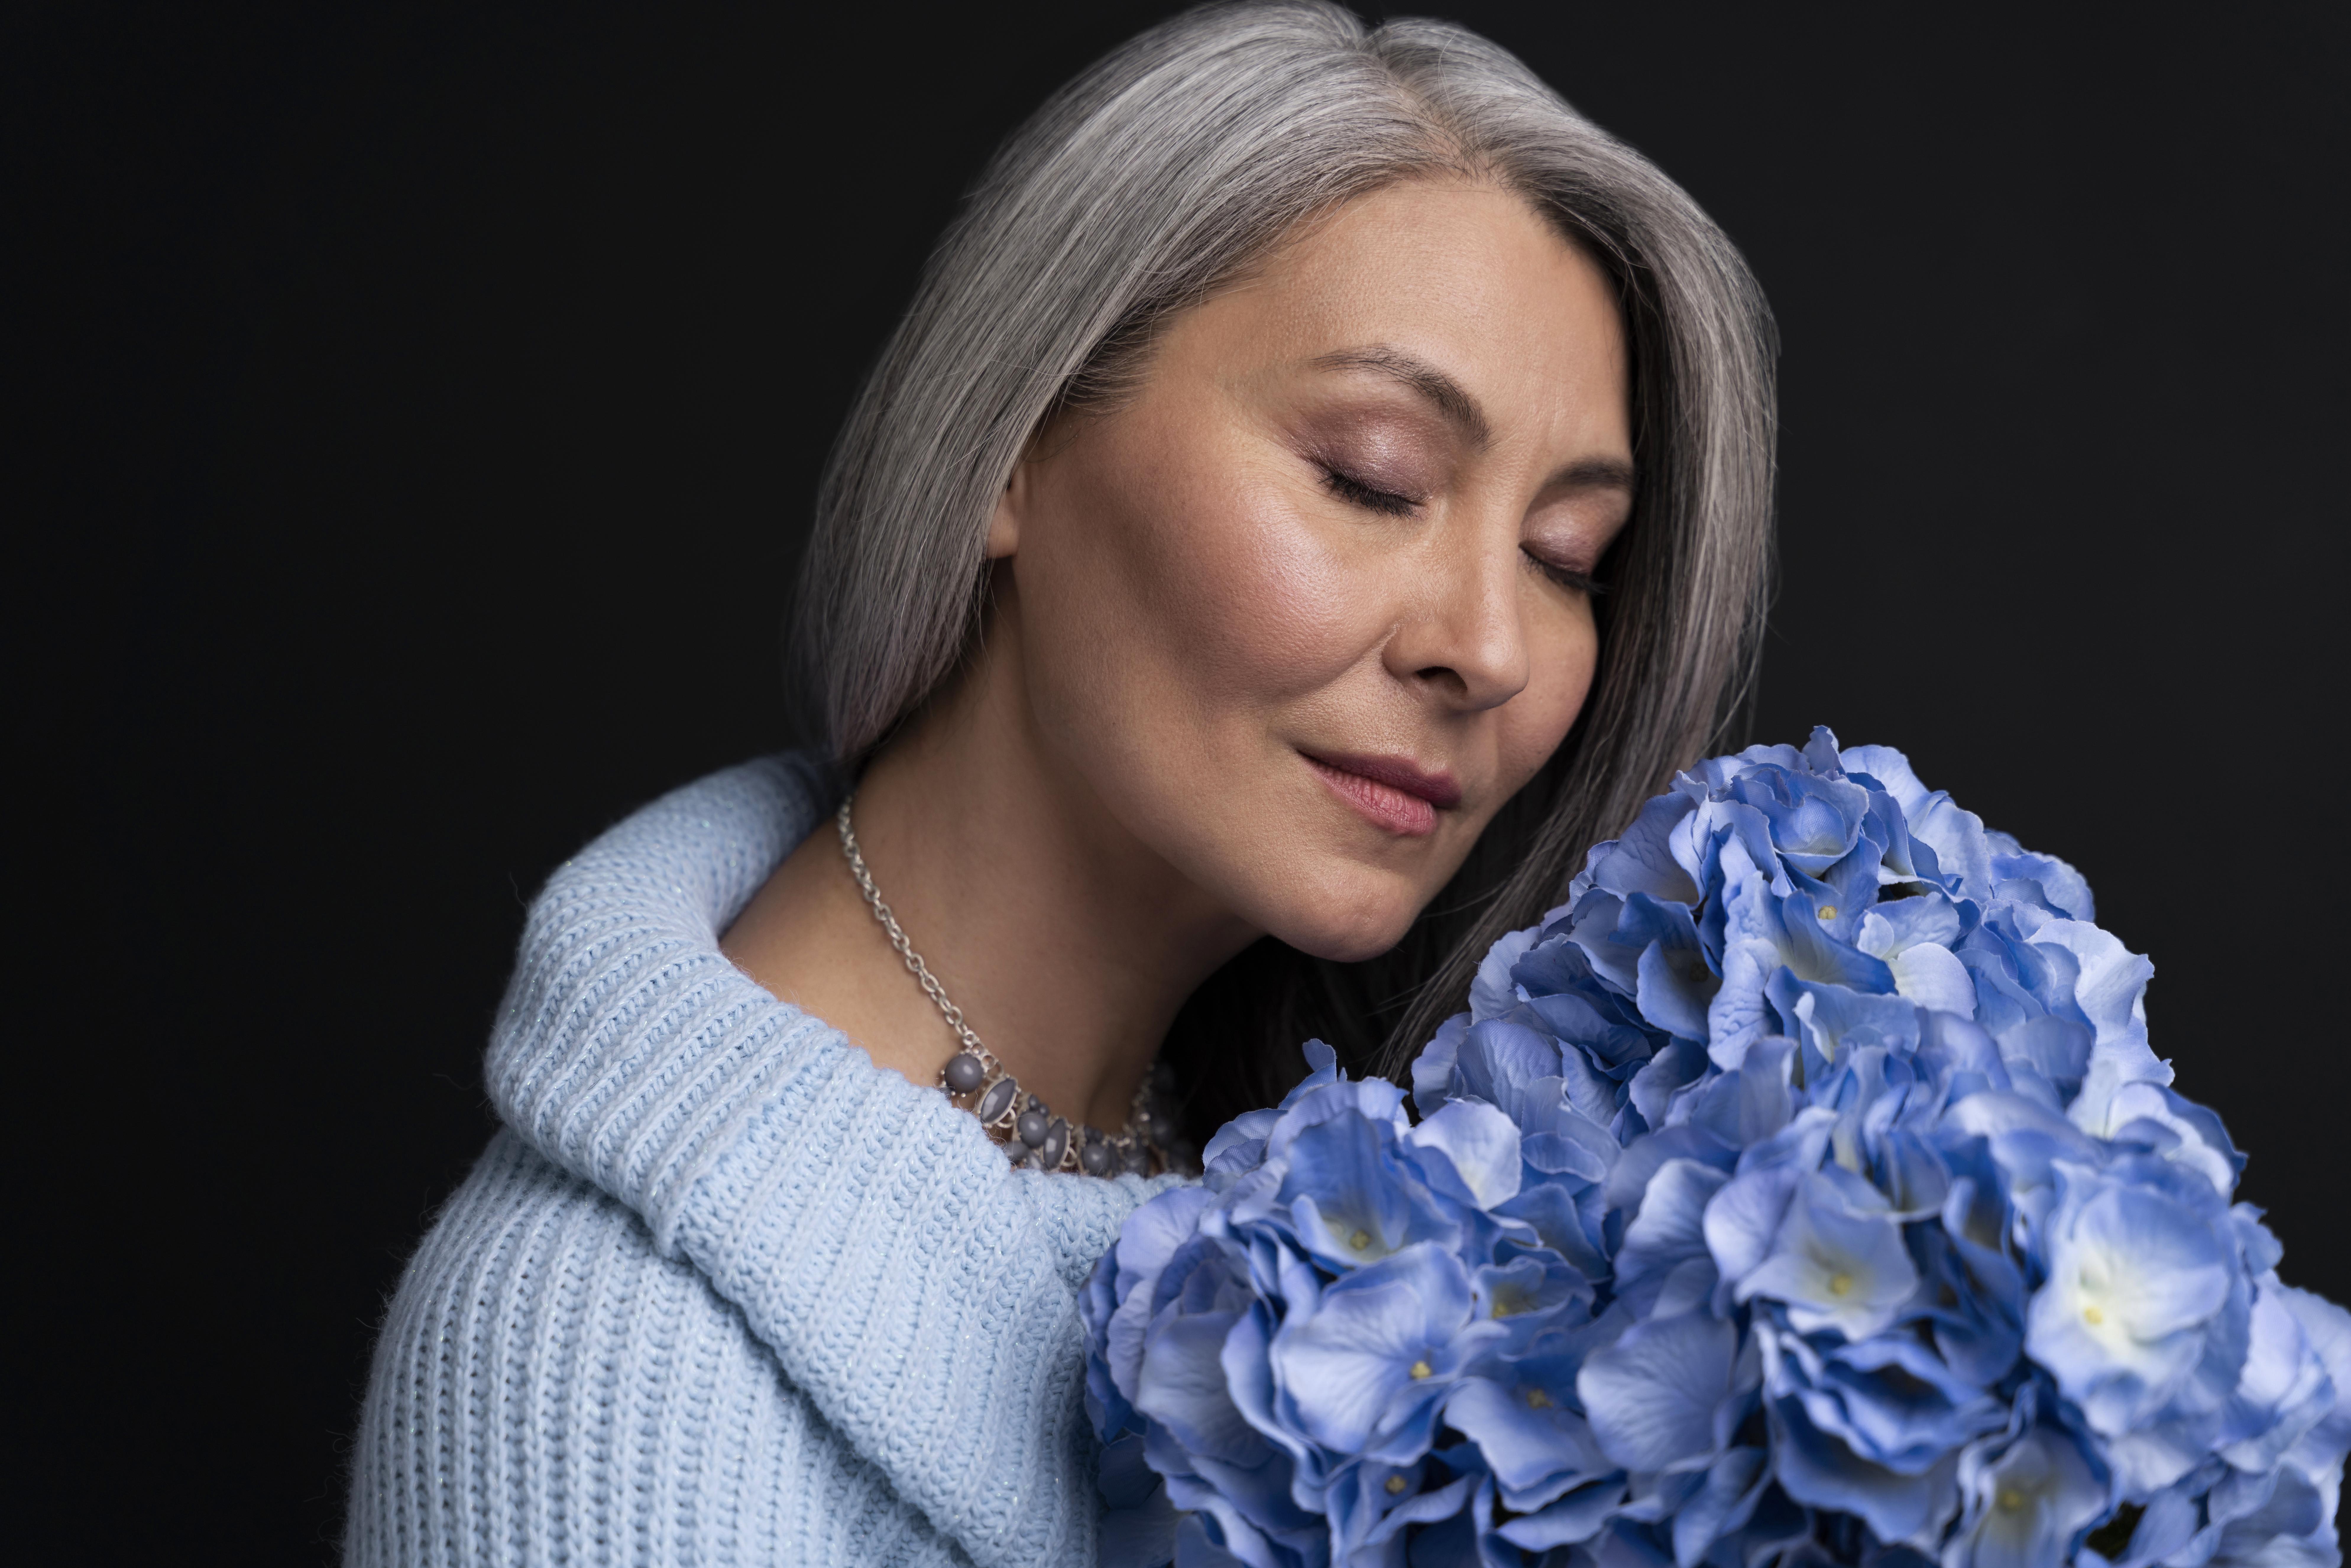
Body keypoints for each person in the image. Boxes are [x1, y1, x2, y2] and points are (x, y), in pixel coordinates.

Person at [342, 3, 1775, 1562]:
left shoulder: (1340, 1166)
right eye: (1372, 477)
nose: (1489, 646)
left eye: (1568, 556)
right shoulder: (608, 1368)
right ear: (1014, 440)